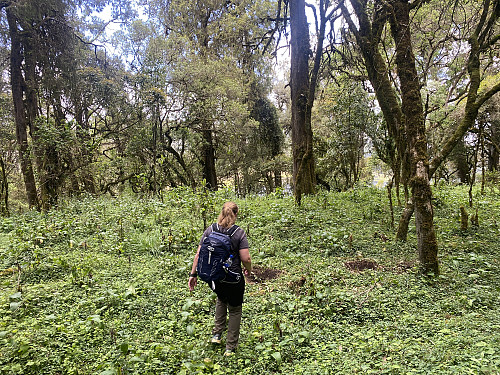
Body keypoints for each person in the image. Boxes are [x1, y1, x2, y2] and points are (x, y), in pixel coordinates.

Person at [188, 201, 252, 356]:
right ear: (235, 214)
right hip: (233, 278)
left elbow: (198, 254)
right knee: (235, 309)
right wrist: (248, 270)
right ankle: (230, 347)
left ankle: (217, 335)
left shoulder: (210, 229)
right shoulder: (239, 233)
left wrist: (193, 274)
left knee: (221, 299)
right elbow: (246, 258)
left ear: (221, 213)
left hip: (214, 278)